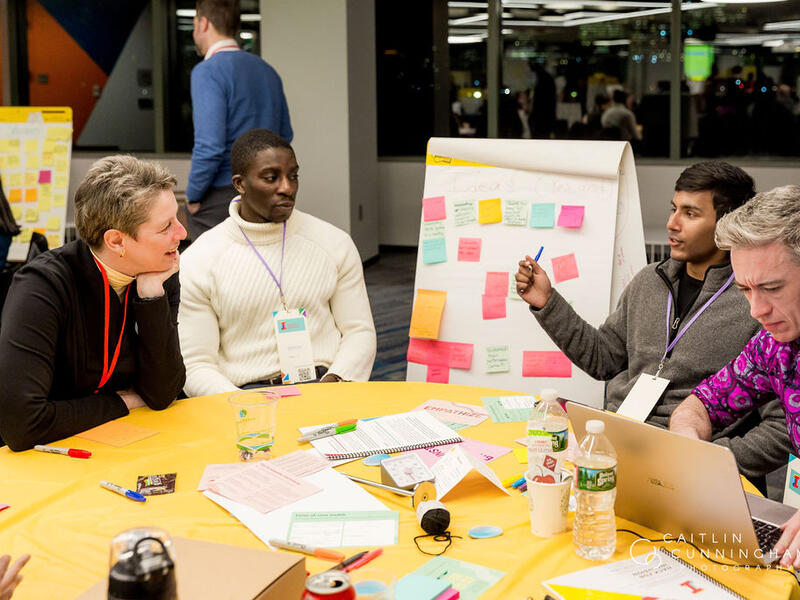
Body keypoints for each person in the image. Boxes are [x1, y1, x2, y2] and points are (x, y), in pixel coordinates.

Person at [514, 161, 791, 482]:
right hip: (619, 441)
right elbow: (603, 359)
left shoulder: (759, 305)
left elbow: (781, 424)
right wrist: (548, 303)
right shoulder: (649, 281)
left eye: (690, 213)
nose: (672, 223)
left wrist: (714, 459)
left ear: (727, 223)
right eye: (674, 209)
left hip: (690, 466)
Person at [0, 156, 186, 451]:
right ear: (116, 241)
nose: (182, 233)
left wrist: (151, 297)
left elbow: (163, 393)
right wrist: (122, 401)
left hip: (122, 442)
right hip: (48, 458)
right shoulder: (42, 286)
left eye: (177, 218)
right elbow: (22, 425)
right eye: (166, 227)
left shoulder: (158, 276)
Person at [179, 129, 376, 396]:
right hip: (243, 395)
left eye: (293, 176)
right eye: (271, 178)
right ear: (240, 183)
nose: (287, 188)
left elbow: (359, 332)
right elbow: (196, 364)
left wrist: (334, 386)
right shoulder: (201, 260)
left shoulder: (333, 243)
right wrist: (245, 408)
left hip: (326, 387)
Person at [668, 185, 800, 568]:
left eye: (772, 288)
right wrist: (686, 446)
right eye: (745, 289)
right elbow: (701, 405)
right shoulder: (774, 344)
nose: (757, 309)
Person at [186, 0, 293, 240]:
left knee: (208, 268)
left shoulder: (208, 71)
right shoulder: (268, 71)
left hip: (224, 191)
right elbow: (284, 136)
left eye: (194, 24)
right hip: (266, 190)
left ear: (203, 23)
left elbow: (210, 146)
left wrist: (193, 196)